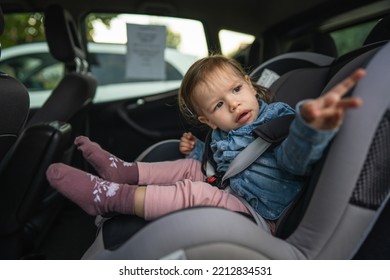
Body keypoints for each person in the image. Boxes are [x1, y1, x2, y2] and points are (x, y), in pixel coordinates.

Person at [46, 54, 365, 234]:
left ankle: (112, 198)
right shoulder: (223, 133)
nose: (234, 104)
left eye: (237, 90)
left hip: (265, 214)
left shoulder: (280, 118)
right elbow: (223, 161)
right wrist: (198, 151)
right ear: (209, 122)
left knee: (196, 190)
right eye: (218, 105)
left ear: (251, 85)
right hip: (236, 188)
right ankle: (124, 172)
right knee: (188, 167)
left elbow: (295, 162)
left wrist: (309, 129)